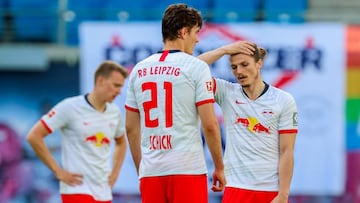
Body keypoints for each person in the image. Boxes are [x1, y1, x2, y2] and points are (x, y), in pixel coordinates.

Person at [124, 3, 225, 203]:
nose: (197, 39)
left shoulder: (138, 70)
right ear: (183, 32)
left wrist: (142, 170)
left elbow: (131, 128)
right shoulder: (197, 68)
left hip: (151, 171)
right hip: (187, 170)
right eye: (196, 32)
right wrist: (220, 167)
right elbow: (210, 126)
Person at [198, 41, 298, 203]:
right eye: (234, 67)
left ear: (259, 63)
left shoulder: (283, 100)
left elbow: (287, 150)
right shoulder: (227, 92)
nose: (239, 71)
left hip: (270, 190)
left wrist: (283, 194)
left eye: (245, 65)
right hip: (236, 188)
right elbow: (191, 69)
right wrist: (224, 50)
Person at [26, 60, 129, 203]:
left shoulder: (115, 112)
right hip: (77, 189)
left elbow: (121, 142)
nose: (119, 91)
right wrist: (58, 171)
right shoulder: (70, 107)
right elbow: (34, 136)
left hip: (103, 191)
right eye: (116, 85)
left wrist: (115, 173)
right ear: (100, 81)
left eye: (121, 87)